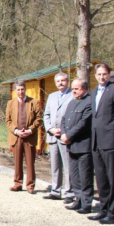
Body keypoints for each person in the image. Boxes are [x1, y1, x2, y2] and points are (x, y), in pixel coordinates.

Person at [90, 63, 114, 224]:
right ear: (95, 75)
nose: (102, 77)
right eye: (99, 74)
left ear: (109, 74)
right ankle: (103, 209)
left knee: (112, 178)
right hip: (96, 141)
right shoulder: (93, 93)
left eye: (104, 74)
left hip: (111, 140)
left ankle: (113, 213)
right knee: (101, 178)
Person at [60, 79, 94, 214]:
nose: (73, 91)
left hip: (83, 145)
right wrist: (63, 134)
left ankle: (86, 203)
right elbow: (64, 120)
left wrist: (68, 136)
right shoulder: (72, 102)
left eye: (77, 89)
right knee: (74, 175)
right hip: (71, 145)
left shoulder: (89, 102)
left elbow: (84, 123)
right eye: (73, 89)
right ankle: (78, 199)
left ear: (84, 89)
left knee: (85, 176)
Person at [5, 80, 43, 194]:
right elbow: (8, 121)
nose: (20, 92)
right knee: (17, 162)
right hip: (16, 137)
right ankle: (17, 183)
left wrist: (30, 130)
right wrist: (16, 131)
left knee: (30, 162)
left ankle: (30, 185)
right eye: (18, 90)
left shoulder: (34, 102)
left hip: (29, 137)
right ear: (15, 91)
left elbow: (39, 119)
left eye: (22, 89)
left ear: (25, 89)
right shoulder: (10, 103)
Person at [43, 72, 73, 201]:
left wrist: (64, 130)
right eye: (58, 81)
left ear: (67, 81)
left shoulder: (73, 95)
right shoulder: (52, 96)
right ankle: (55, 190)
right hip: (52, 136)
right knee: (55, 165)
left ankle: (69, 192)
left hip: (65, 136)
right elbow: (47, 115)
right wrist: (50, 129)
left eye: (63, 80)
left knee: (68, 166)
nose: (60, 83)